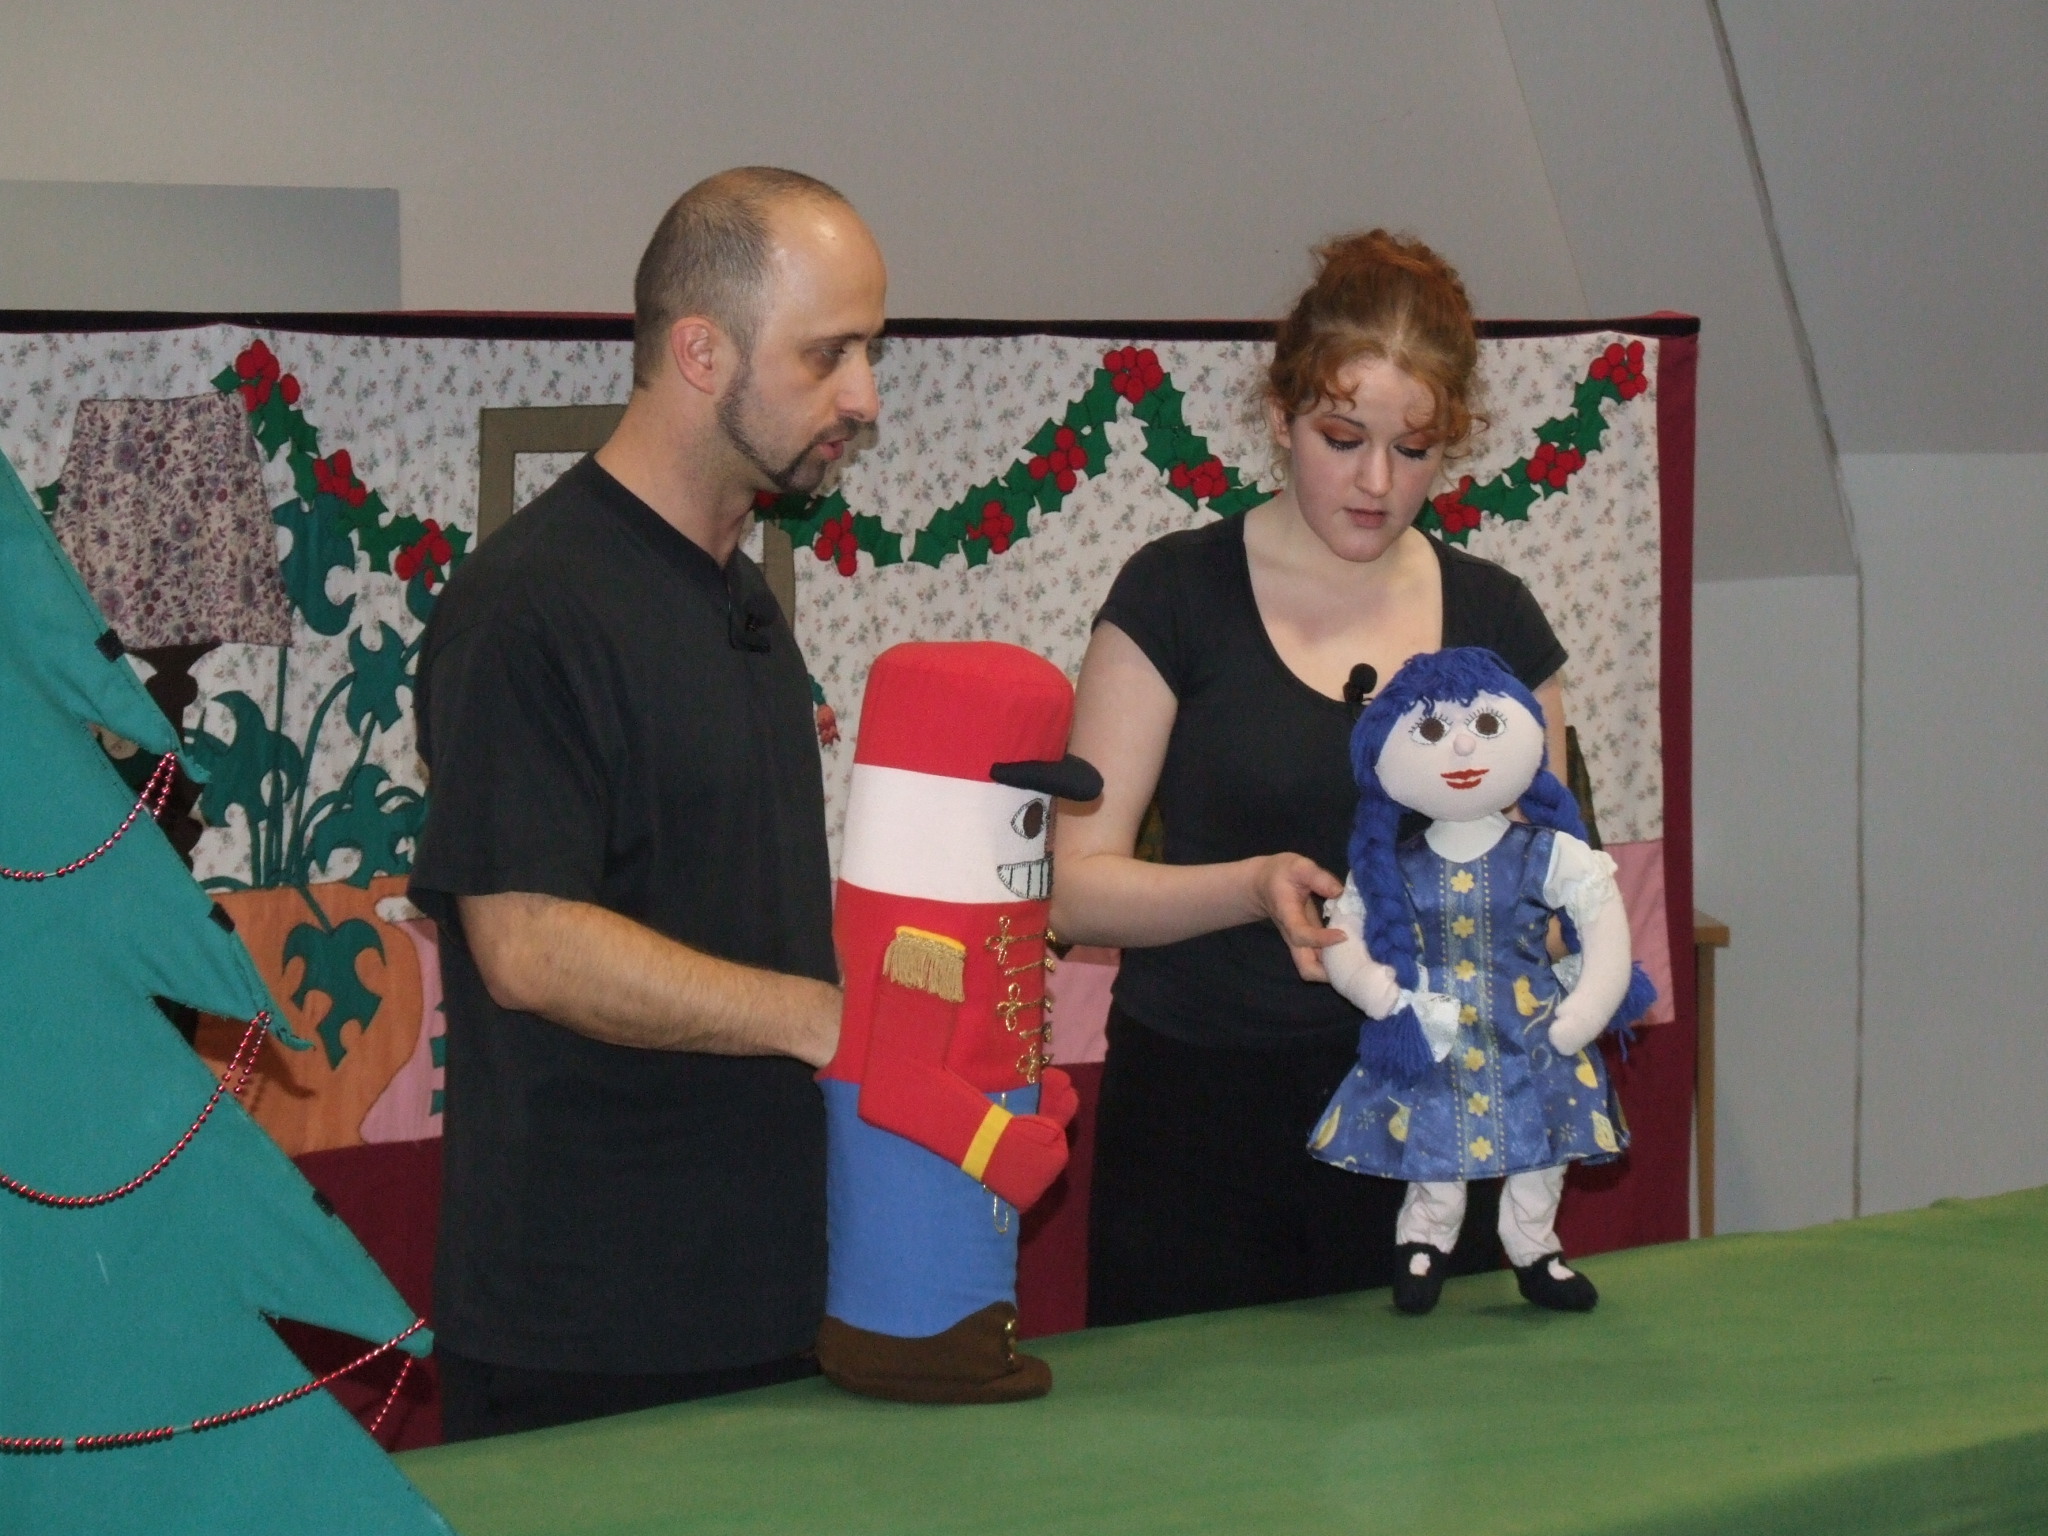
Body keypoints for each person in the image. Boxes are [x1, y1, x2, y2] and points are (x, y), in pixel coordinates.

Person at [409, 167, 887, 1440]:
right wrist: (819, 1020)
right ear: (699, 352)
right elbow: (528, 944)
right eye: (828, 354)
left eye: (868, 354)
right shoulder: (530, 607)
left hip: (763, 1302)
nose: (863, 398)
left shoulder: (740, 599)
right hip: (587, 1337)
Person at [1051, 229, 1570, 1326]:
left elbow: (1552, 888)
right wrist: (1248, 889)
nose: (1377, 482)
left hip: (1429, 1123)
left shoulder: (1496, 620)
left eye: (1414, 450)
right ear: (1281, 413)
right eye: (1343, 439)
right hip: (1200, 1126)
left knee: (1428, 1430)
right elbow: (1073, 889)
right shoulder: (1173, 594)